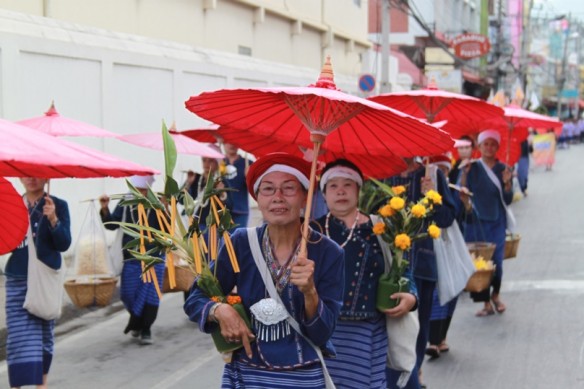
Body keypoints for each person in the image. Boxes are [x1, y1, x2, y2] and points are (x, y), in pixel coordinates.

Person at [184, 152, 344, 388]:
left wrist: (310, 293)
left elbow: (322, 334)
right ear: (257, 198)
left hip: (302, 378)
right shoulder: (240, 243)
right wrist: (219, 310)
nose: (278, 197)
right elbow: (195, 298)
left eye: (289, 188)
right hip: (247, 374)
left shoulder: (328, 253)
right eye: (268, 189)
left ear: (305, 198)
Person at [312, 159, 418, 389]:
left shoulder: (382, 229)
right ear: (323, 194)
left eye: (348, 184)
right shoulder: (311, 232)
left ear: (359, 190)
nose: (340, 190)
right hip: (327, 330)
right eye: (333, 186)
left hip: (370, 328)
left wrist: (412, 297)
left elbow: (404, 269)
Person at [384, 157, 456, 389]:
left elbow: (447, 218)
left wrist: (433, 197)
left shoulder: (432, 174)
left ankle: (415, 368)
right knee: (390, 319)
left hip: (423, 261)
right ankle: (397, 372)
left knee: (420, 320)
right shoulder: (384, 173)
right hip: (389, 262)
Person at [5, 177, 71, 389]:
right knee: (18, 338)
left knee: (43, 337)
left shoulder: (58, 205)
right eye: (26, 173)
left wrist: (53, 220)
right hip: (17, 278)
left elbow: (64, 243)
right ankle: (16, 385)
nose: (31, 179)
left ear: (46, 175)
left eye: (36, 173)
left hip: (45, 279)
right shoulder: (12, 205)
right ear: (19, 176)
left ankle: (41, 385)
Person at [99, 175, 164, 345]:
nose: (140, 193)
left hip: (153, 257)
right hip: (131, 257)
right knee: (127, 294)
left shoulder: (157, 204)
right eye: (137, 190)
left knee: (150, 295)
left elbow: (167, 230)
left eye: (143, 190)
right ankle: (137, 320)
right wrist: (105, 209)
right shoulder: (125, 203)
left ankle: (145, 328)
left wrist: (165, 209)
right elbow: (111, 225)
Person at [458, 130, 514, 317]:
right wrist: (464, 174)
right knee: (480, 262)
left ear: (498, 147)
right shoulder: (471, 167)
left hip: (497, 221)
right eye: (485, 144)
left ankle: (496, 295)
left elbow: (507, 199)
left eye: (493, 144)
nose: (489, 148)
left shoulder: (504, 168)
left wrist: (507, 184)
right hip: (476, 221)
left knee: (496, 261)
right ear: (479, 147)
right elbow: (462, 190)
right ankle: (485, 303)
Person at [222, 143, 253, 230]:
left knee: (238, 239)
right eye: (228, 141)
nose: (232, 145)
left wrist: (249, 178)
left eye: (233, 141)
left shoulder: (248, 164)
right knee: (223, 241)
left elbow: (255, 189)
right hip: (222, 210)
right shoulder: (219, 163)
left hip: (241, 210)